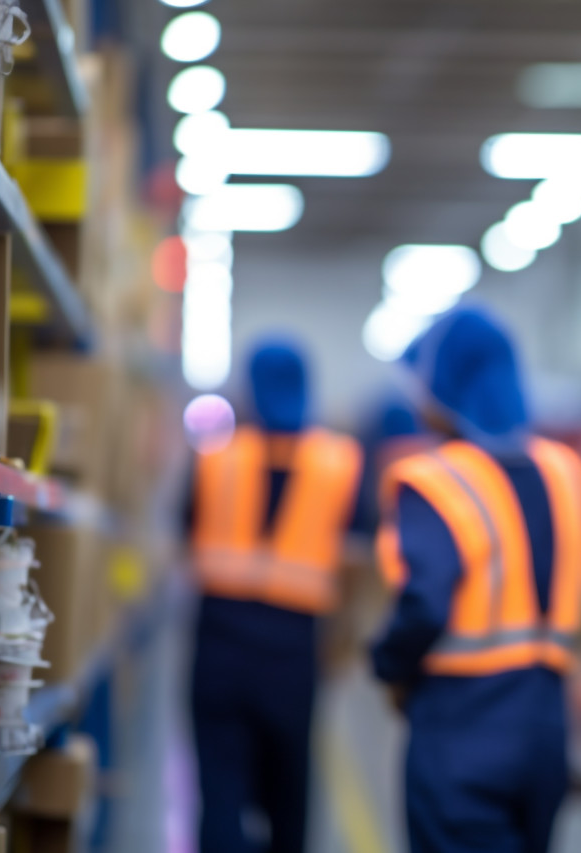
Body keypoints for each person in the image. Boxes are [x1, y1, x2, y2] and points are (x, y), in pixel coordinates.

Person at [369, 306, 581, 853]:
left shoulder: (434, 479)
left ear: (447, 382)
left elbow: (425, 603)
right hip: (545, 726)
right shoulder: (563, 468)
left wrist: (387, 665)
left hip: (460, 724)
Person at [189, 339, 362, 853]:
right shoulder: (338, 462)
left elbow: (184, 535)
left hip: (219, 645)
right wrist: (343, 638)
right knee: (289, 790)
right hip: (292, 652)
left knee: (220, 788)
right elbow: (357, 559)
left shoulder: (218, 458)